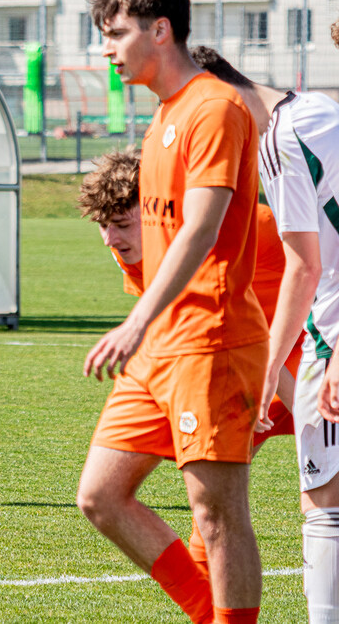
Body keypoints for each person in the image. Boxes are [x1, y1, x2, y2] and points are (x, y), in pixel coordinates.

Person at [78, 0, 268, 624]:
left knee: (216, 515)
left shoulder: (213, 108)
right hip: (163, 347)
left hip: (211, 340)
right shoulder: (163, 115)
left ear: (160, 30)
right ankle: (208, 614)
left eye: (117, 34)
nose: (107, 49)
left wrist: (136, 320)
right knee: (101, 496)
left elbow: (202, 226)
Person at [78, 148, 301, 574]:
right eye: (103, 227)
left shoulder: (241, 233)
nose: (111, 239)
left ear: (160, 213)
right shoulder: (126, 246)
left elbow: (270, 307)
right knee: (211, 511)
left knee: (321, 488)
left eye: (122, 225)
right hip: (242, 363)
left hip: (307, 354)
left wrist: (294, 399)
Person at [193, 44, 339, 622]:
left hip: (331, 324)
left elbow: (305, 266)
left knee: (324, 503)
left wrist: (264, 369)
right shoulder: (319, 108)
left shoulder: (278, 141)